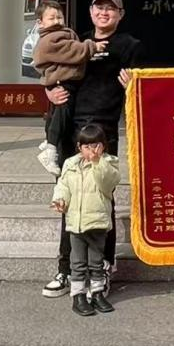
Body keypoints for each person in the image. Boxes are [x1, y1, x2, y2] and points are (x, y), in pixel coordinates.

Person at [40, 0, 141, 299]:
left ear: (120, 14)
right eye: (99, 7)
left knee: (100, 200)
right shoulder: (77, 40)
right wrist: (49, 91)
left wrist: (134, 85)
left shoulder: (129, 45)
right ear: (91, 11)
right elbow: (52, 70)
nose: (104, 12)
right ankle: (67, 268)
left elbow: (142, 88)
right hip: (70, 128)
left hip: (101, 131)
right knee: (68, 198)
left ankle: (102, 268)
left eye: (111, 8)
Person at [50, 122, 121, 316]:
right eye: (87, 146)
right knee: (78, 262)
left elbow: (108, 184)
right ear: (79, 147)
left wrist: (97, 162)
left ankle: (97, 293)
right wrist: (60, 200)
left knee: (96, 262)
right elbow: (63, 185)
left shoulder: (109, 163)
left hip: (97, 221)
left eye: (96, 146)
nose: (92, 150)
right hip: (76, 222)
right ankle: (78, 295)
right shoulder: (71, 164)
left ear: (103, 146)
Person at [33, 0, 108, 176]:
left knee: (57, 113)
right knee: (61, 112)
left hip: (63, 82)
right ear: (40, 22)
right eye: (51, 18)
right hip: (62, 82)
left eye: (59, 17)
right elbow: (70, 50)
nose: (57, 21)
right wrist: (92, 46)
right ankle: (51, 148)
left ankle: (50, 141)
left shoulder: (60, 34)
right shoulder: (51, 39)